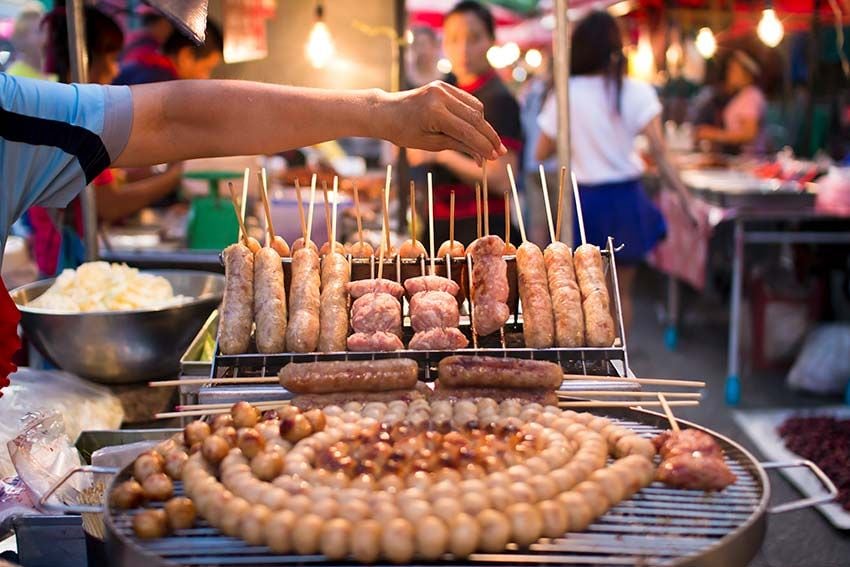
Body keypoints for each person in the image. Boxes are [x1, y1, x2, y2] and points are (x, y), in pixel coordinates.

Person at [535, 10, 694, 332]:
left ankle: (590, 369)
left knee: (582, 293)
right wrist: (686, 199)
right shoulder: (636, 91)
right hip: (625, 200)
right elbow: (661, 153)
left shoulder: (566, 94)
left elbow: (541, 151)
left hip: (585, 204)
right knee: (621, 294)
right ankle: (620, 365)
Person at [27, 6, 182, 276]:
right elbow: (109, 204)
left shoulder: (62, 108)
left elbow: (107, 180)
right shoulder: (74, 120)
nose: (115, 69)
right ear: (86, 60)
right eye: (111, 58)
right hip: (64, 261)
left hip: (63, 251)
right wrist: (176, 176)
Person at [407, 0, 521, 246]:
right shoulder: (446, 88)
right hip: (439, 226)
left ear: (491, 39)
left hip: (483, 228)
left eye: (474, 38)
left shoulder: (499, 99)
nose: (463, 49)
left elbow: (502, 178)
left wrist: (439, 155)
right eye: (454, 39)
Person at [695, 50, 766, 154]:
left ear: (746, 73)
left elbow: (749, 134)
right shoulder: (742, 95)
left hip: (750, 159)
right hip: (740, 159)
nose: (729, 74)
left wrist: (713, 134)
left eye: (734, 70)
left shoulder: (751, 96)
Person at [115, 20, 223, 84]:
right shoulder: (165, 84)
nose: (206, 77)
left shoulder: (143, 63)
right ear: (186, 56)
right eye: (206, 68)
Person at [114, 3, 174, 83]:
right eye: (169, 25)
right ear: (160, 23)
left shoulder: (132, 40)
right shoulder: (147, 50)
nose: (169, 30)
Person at [6, 3, 53, 80]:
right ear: (22, 38)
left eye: (48, 30)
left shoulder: (55, 70)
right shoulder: (14, 77)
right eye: (39, 31)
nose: (46, 37)